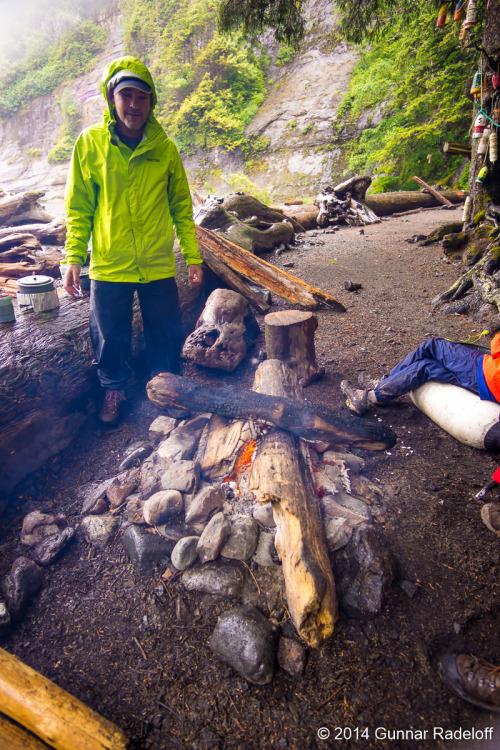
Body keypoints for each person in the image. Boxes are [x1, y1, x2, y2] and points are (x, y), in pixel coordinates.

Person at [63, 56, 203, 425]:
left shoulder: (165, 149)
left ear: (151, 102)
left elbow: (181, 208)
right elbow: (79, 207)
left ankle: (167, 384)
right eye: (126, 95)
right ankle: (114, 389)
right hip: (110, 263)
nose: (134, 104)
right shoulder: (90, 144)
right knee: (109, 336)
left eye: (143, 96)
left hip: (156, 262)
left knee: (166, 330)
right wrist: (74, 257)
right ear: (112, 98)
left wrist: (193, 256)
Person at [340, 334, 500, 416]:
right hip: (489, 388)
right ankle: (371, 398)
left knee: (433, 345)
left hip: (488, 372)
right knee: (426, 366)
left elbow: (496, 345)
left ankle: (385, 381)